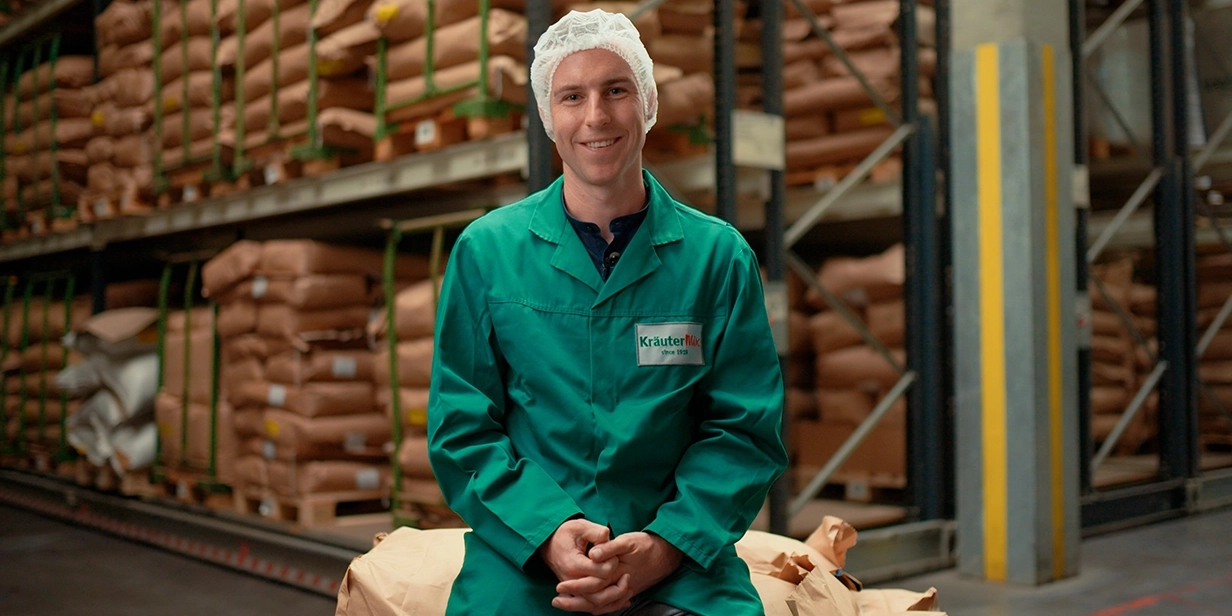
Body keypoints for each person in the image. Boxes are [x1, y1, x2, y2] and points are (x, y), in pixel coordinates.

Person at [426, 9, 787, 615]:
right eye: (572, 96)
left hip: (679, 555)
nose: (595, 116)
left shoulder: (717, 258)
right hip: (528, 554)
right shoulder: (487, 253)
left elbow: (745, 430)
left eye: (615, 90)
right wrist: (548, 533)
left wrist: (665, 547)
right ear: (549, 117)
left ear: (647, 103)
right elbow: (462, 428)